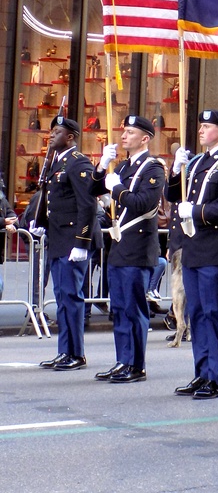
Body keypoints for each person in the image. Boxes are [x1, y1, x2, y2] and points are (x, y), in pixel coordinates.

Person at [166, 109, 218, 400]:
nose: (201, 131)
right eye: (200, 126)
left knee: (213, 312)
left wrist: (196, 212)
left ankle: (216, 377)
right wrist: (175, 171)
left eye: (207, 126)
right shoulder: (198, 162)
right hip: (193, 247)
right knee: (196, 313)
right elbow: (174, 195)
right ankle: (201, 373)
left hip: (215, 247)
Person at [90, 115, 165, 384]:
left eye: (130, 132)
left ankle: (136, 365)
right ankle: (122, 360)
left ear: (144, 138)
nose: (123, 136)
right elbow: (93, 189)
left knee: (134, 309)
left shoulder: (153, 169)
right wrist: (101, 166)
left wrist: (117, 188)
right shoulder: (121, 167)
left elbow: (143, 203)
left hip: (138, 247)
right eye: (123, 132)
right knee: (119, 308)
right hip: (120, 248)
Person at [33, 116, 100, 371]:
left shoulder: (78, 163)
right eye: (51, 131)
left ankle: (76, 353)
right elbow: (51, 199)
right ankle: (65, 351)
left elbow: (87, 204)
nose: (51, 135)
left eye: (57, 132)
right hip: (59, 238)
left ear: (70, 137)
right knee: (62, 297)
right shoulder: (56, 164)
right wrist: (40, 222)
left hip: (73, 240)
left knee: (71, 297)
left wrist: (82, 243)